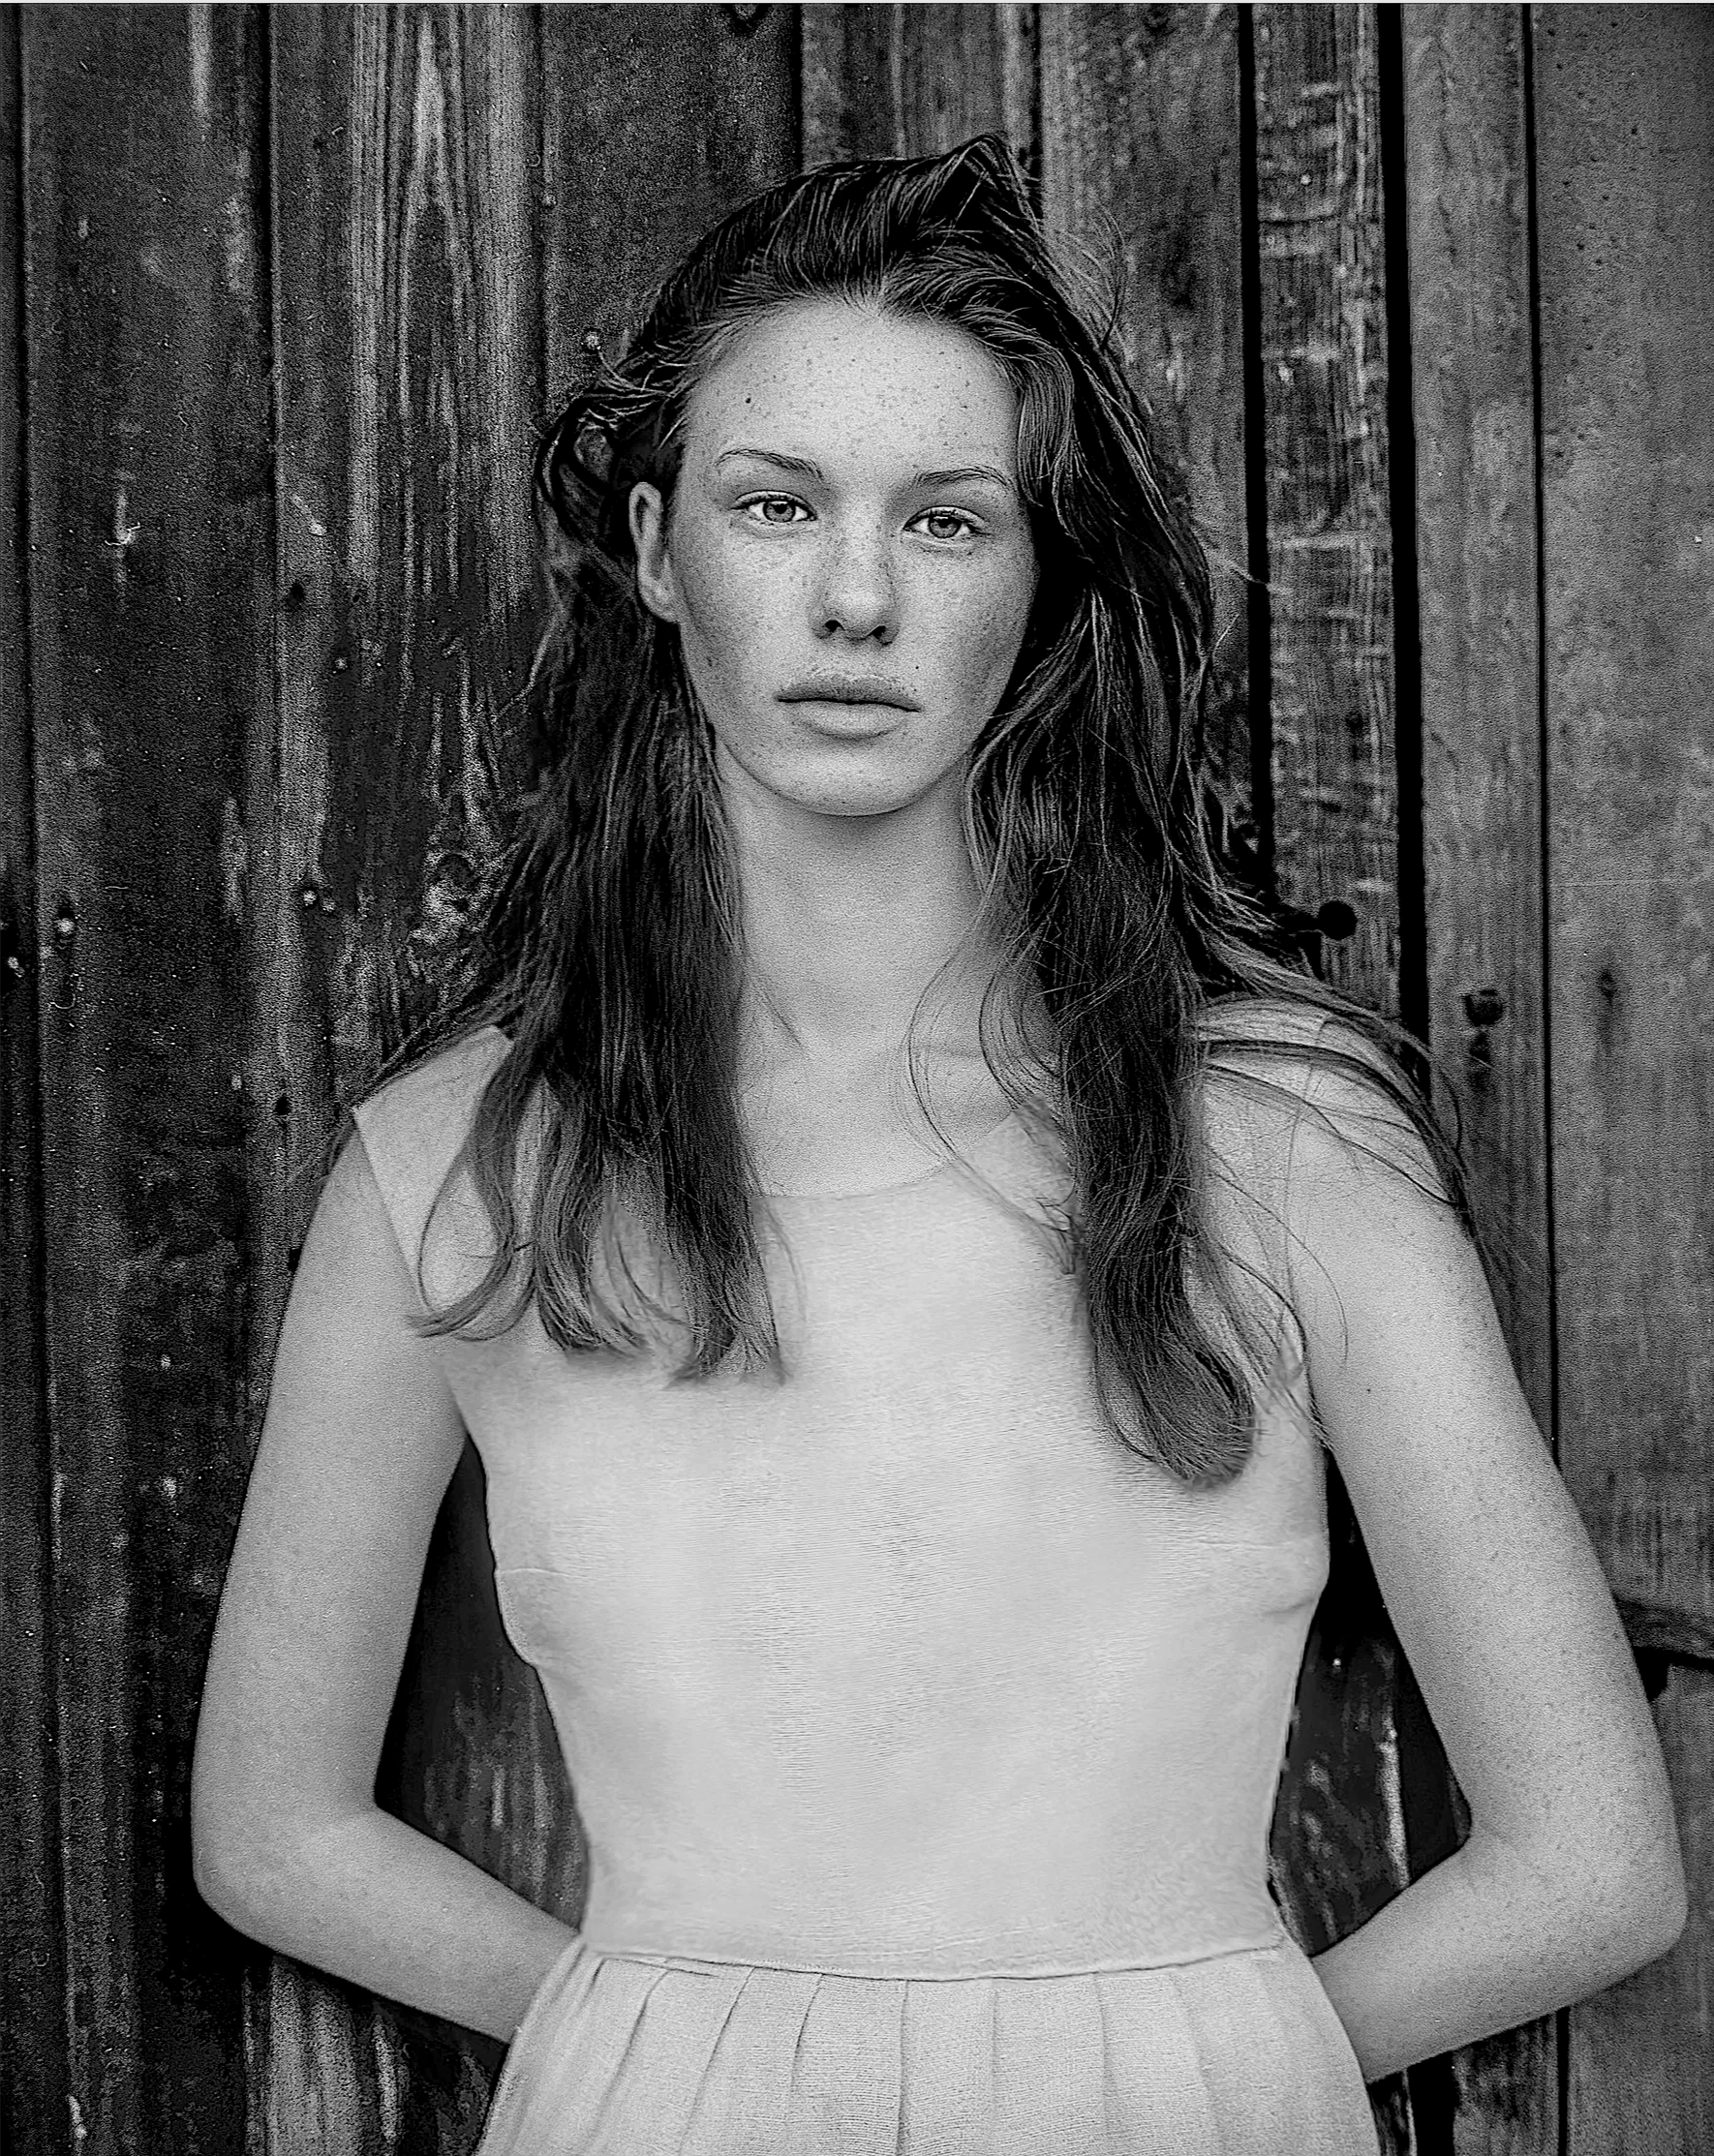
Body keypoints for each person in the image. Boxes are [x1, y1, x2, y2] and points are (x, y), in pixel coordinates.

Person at [192, 135, 1687, 2154]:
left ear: (1046, 574)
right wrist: (672, 2041)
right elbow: (271, 1827)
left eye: (952, 520)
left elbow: (1596, 1863)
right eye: (777, 502)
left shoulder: (1282, 1150)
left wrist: (1191, 2068)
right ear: (655, 551)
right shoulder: (455, 1171)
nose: (859, 595)